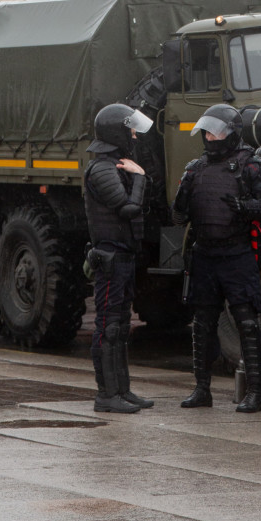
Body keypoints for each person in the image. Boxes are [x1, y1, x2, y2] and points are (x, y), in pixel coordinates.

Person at [173, 104, 261, 414]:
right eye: (207, 132)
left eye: (217, 132)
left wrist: (244, 208)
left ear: (232, 134)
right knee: (202, 324)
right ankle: (201, 389)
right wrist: (183, 196)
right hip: (205, 254)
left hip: (238, 253)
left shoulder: (251, 166)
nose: (211, 137)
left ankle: (255, 392)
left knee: (247, 322)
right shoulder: (195, 168)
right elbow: (179, 215)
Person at [83, 102, 154, 414]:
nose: (135, 136)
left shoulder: (116, 164)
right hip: (111, 257)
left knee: (121, 325)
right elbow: (128, 209)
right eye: (131, 130)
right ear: (118, 132)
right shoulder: (102, 169)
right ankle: (106, 395)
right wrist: (140, 179)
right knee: (108, 326)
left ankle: (122, 390)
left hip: (122, 256)